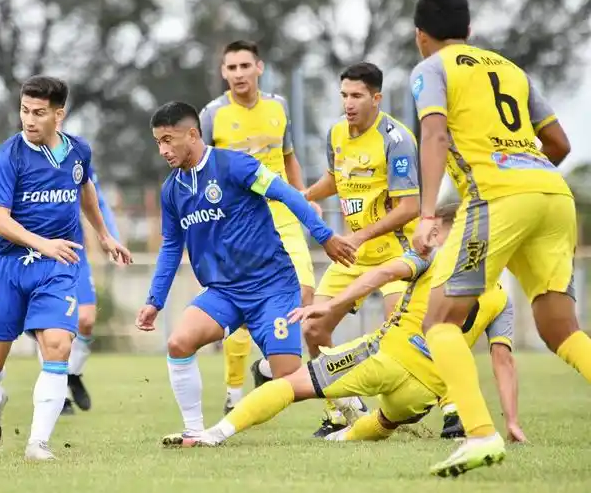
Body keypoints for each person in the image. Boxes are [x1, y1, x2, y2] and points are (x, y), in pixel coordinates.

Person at [410, 0, 590, 477]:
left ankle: (479, 434)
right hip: (552, 193)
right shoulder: (511, 69)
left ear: (420, 35)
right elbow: (559, 143)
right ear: (469, 30)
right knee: (562, 330)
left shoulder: (431, 69)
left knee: (439, 321)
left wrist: (426, 214)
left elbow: (435, 134)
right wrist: (525, 176)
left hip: (496, 197)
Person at [175, 203, 523, 448]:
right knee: (384, 422)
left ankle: (214, 434)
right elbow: (503, 360)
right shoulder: (502, 299)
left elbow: (383, 273)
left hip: (386, 357)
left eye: (438, 231)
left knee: (290, 385)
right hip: (424, 391)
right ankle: (341, 438)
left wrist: (331, 305)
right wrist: (511, 421)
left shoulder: (432, 259)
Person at [135, 101, 356, 445]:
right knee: (178, 343)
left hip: (272, 286)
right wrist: (155, 300)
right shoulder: (172, 190)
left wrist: (324, 236)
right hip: (223, 292)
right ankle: (194, 431)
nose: (163, 150)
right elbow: (171, 246)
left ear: (192, 134)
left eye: (168, 140)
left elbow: (287, 194)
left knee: (288, 380)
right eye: (158, 142)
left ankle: (347, 398)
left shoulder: (234, 165)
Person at [0, 75, 131, 461]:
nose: (29, 120)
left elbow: (85, 189)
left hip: (57, 264)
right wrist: (43, 242)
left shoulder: (78, 151)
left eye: (39, 113)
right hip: (8, 266)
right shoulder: (6, 158)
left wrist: (105, 235)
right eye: (25, 111)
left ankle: (37, 444)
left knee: (59, 346)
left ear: (58, 115)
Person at [301, 62, 421, 436]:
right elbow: (335, 179)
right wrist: (304, 196)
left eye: (357, 96)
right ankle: (344, 410)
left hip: (397, 255)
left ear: (376, 98)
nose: (348, 103)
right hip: (354, 255)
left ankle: (450, 409)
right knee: (313, 327)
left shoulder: (397, 139)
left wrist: (358, 236)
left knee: (402, 338)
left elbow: (410, 207)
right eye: (344, 95)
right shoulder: (337, 132)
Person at [200, 40, 317, 413]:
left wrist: (302, 196)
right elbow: (200, 169)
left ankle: (268, 368)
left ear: (259, 67)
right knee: (241, 311)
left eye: (244, 66)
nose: (239, 74)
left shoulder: (278, 106)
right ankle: (234, 393)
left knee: (306, 295)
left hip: (281, 214)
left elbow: (288, 156)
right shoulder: (212, 115)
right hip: (238, 224)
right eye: (231, 67)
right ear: (224, 72)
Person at [61, 163, 121, 415]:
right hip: (40, 253)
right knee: (53, 326)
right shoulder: (21, 157)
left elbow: (97, 201)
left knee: (86, 320)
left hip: (75, 251)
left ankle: (72, 373)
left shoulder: (76, 156)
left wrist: (111, 237)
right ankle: (61, 396)